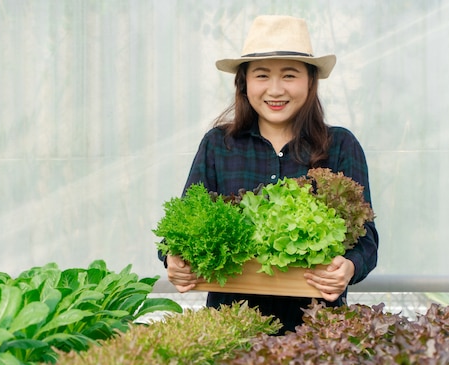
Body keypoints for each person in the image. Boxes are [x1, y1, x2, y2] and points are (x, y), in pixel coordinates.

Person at [158, 15, 379, 335]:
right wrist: (173, 258)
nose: (275, 90)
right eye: (262, 75)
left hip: (316, 330)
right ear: (244, 82)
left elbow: (367, 240)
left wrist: (349, 266)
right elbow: (179, 228)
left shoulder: (340, 145)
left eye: (289, 75)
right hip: (232, 329)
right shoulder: (218, 145)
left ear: (310, 81)